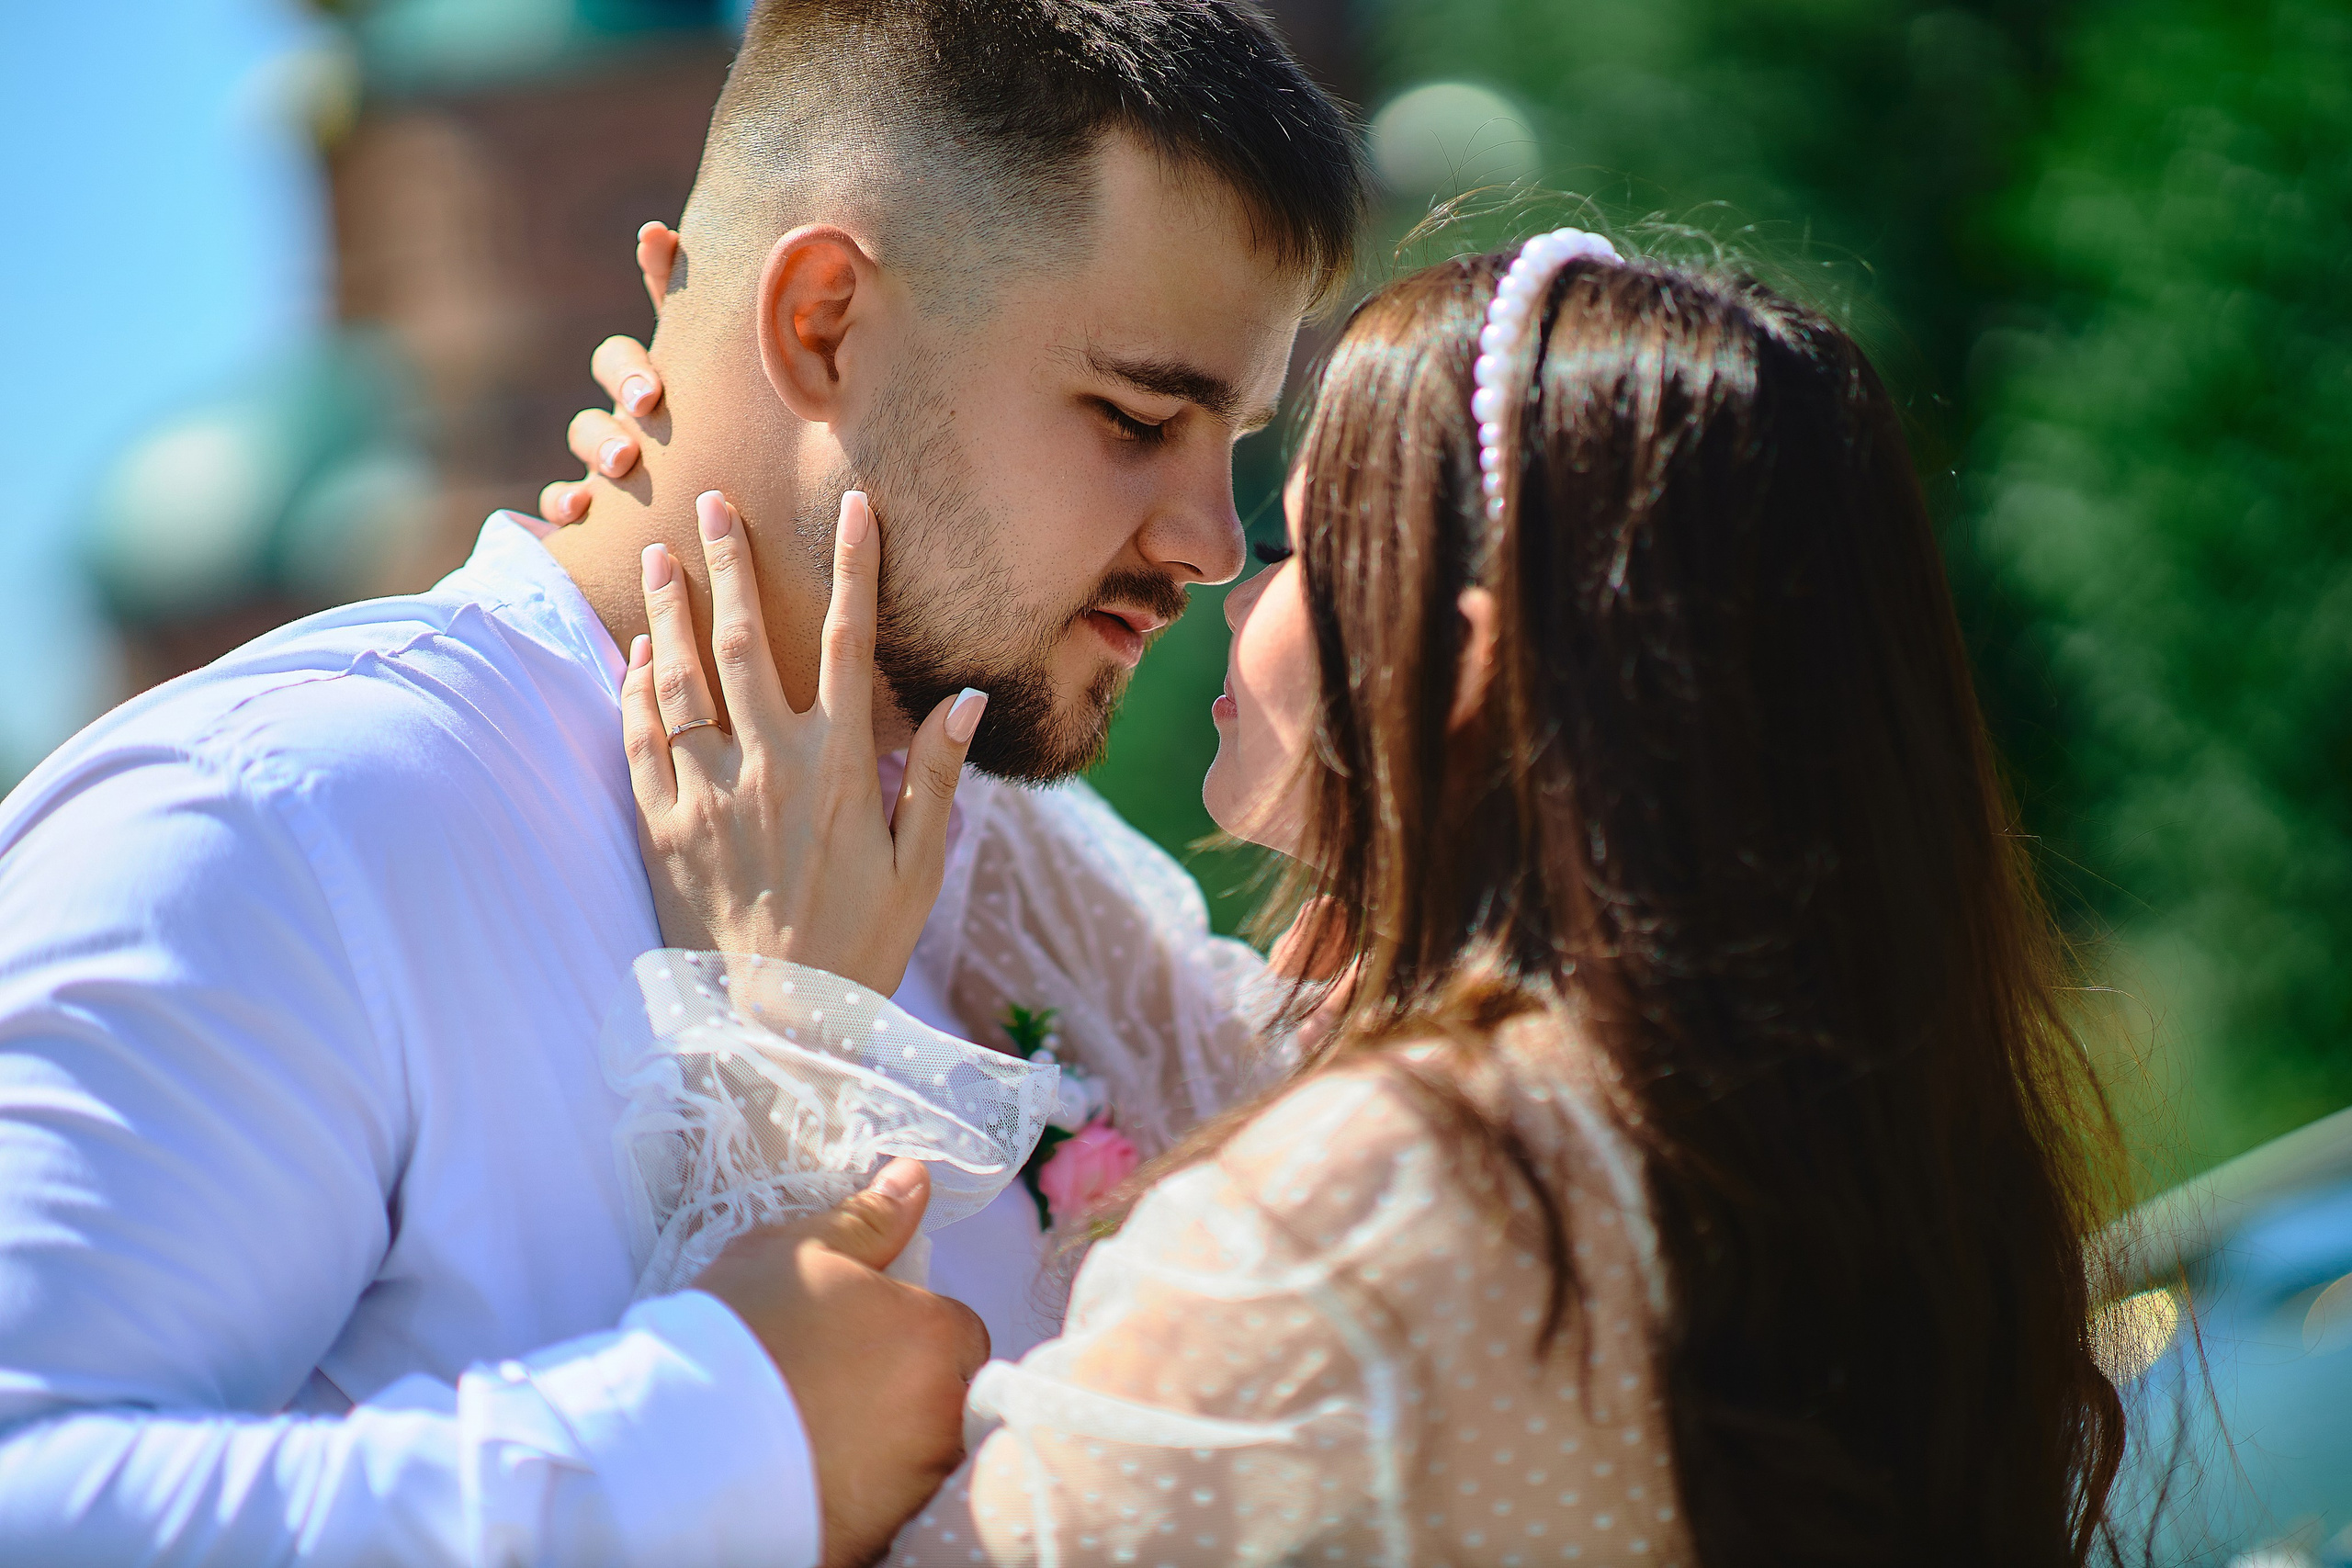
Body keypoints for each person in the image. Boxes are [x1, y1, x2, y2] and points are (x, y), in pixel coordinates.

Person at [0, 4, 1362, 1564]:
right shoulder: (284, 818)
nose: (1212, 543)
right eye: (1136, 418)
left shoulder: (1038, 884)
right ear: (823, 326)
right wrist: (731, 1437)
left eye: (1230, 443)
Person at [620, 232, 2135, 1565]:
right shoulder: (1777, 1123)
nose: (1222, 573)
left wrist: (788, 1046)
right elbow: (1085, 937)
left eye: (1295, 543)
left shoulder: (1399, 1192)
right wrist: (754, 484)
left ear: (1469, 661)